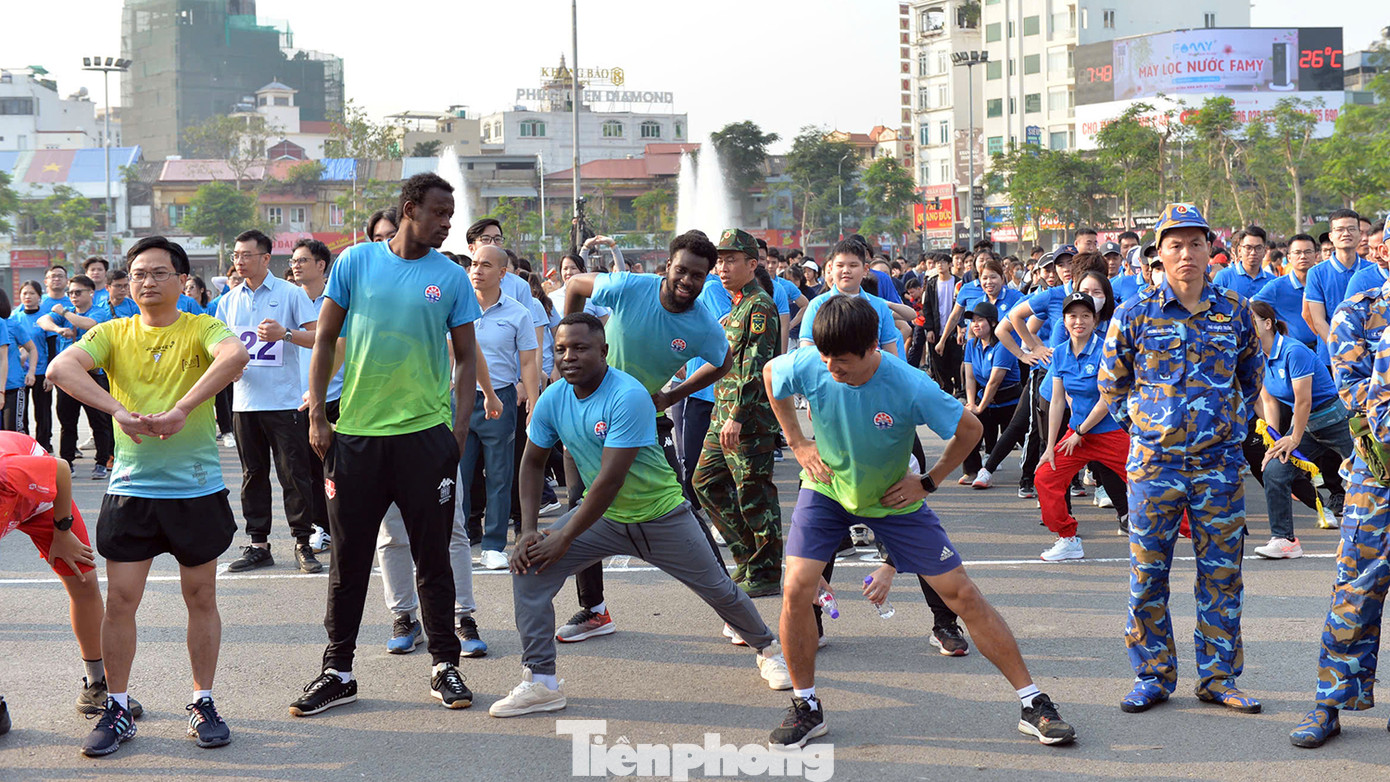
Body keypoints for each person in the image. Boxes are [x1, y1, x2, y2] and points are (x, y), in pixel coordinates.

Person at [764, 294, 1076, 749]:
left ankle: (1033, 702)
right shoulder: (813, 362)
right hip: (827, 489)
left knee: (963, 594)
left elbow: (969, 430)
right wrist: (797, 443)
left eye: (843, 360)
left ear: (873, 346)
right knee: (796, 587)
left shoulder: (909, 384)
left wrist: (928, 482)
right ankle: (806, 705)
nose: (832, 368)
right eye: (826, 357)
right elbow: (773, 375)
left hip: (895, 496)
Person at [492, 313, 791, 717]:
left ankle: (768, 649)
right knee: (529, 570)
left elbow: (609, 480)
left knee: (719, 590)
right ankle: (541, 682)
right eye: (561, 349)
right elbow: (531, 463)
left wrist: (562, 537)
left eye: (580, 348)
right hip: (604, 519)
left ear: (603, 351)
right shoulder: (553, 398)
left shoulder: (626, 395)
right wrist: (529, 531)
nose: (568, 357)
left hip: (661, 516)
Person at [47, 235, 249, 756]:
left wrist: (182, 408)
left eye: (159, 273)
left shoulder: (201, 325)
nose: (147, 281)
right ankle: (117, 707)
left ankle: (202, 701)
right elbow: (60, 369)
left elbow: (235, 355)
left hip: (197, 487)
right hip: (132, 489)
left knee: (201, 596)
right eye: (138, 273)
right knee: (121, 601)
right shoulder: (113, 332)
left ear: (182, 281)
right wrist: (115, 410)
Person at [292, 172, 480, 717]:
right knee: (348, 560)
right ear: (408, 209)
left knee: (433, 558)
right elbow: (325, 339)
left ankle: (445, 664)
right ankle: (337, 671)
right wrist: (321, 417)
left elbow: (466, 358)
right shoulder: (354, 262)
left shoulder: (450, 277)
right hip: (356, 437)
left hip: (425, 438)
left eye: (451, 214)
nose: (448, 224)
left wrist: (459, 430)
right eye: (440, 213)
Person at [1100, 203, 1264, 714]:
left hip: (1218, 467)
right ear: (1160, 254)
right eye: (1175, 245)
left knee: (1222, 574)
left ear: (1210, 250)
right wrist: (1150, 430)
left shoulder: (1235, 311)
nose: (1186, 254)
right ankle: (1152, 674)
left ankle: (1218, 677)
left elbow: (1250, 378)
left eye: (1195, 243)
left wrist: (1227, 428)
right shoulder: (1134, 313)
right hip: (1155, 468)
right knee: (1148, 573)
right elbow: (1112, 383)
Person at [556, 230, 733, 641]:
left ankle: (730, 609)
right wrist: (569, 339)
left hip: (644, 421)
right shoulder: (630, 287)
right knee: (581, 507)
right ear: (666, 267)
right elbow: (576, 284)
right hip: (588, 416)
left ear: (706, 278)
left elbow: (722, 362)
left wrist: (672, 393)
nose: (687, 280)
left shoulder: (702, 325)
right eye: (682, 270)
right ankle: (594, 610)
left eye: (697, 275)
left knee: (680, 508)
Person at [1290, 275, 1390, 747]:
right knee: (1355, 594)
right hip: (1378, 479)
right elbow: (1359, 401)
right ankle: (1328, 706)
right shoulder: (1357, 313)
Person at [213, 229, 323, 574]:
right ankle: (258, 544)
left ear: (265, 258)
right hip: (245, 403)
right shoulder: (228, 300)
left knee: (295, 475)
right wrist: (226, 367)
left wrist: (285, 334)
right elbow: (217, 344)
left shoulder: (290, 293)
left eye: (246, 255)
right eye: (235, 255)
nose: (239, 261)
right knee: (252, 475)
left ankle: (304, 543)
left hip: (285, 402)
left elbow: (320, 335)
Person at [692, 229, 784, 597]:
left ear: (752, 264)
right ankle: (747, 556)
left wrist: (739, 416)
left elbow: (756, 366)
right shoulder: (737, 305)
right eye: (720, 260)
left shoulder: (759, 306)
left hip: (747, 419)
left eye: (731, 260)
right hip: (724, 414)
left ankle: (764, 572)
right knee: (704, 482)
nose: (722, 267)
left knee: (754, 493)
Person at [1249, 301, 1352, 559]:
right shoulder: (1256, 357)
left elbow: (1303, 400)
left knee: (1373, 471)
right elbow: (1269, 400)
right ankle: (1285, 540)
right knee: (1275, 469)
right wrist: (1274, 442)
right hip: (1305, 426)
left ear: (1268, 323)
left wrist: (1293, 438)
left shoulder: (1294, 351)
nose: (1245, 326)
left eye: (1250, 320)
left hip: (1335, 420)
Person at [462, 245, 540, 570]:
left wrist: (535, 403)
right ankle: (458, 536)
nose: (477, 270)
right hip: (461, 399)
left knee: (499, 473)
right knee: (458, 474)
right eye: (474, 264)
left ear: (502, 274)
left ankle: (493, 544)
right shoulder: (457, 308)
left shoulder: (518, 313)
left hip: (502, 399)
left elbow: (529, 362)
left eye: (486, 265)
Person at [1036, 291, 1125, 561]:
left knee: (1150, 479)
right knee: (1045, 477)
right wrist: (1050, 446)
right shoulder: (1060, 353)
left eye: (1086, 315)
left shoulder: (1106, 350)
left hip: (1110, 433)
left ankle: (1191, 530)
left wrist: (1081, 432)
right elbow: (1057, 401)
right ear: (1064, 320)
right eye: (1073, 315)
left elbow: (1106, 400)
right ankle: (1068, 538)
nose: (1079, 321)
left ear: (1095, 319)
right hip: (1076, 435)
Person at [37, 274, 113, 479]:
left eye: (78, 292)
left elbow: (89, 324)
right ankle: (67, 462)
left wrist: (64, 313)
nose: (73, 296)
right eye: (70, 293)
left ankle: (101, 462)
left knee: (99, 420)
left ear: (91, 292)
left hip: (92, 374)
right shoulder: (66, 314)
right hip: (68, 376)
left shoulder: (99, 311)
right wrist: (58, 328)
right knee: (67, 420)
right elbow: (42, 319)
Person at [959, 300, 1019, 484]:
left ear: (993, 323)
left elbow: (994, 381)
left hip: (1009, 401)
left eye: (980, 320)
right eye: (973, 321)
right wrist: (972, 405)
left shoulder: (1003, 344)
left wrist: (980, 407)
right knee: (968, 425)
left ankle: (1036, 474)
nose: (975, 324)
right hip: (985, 398)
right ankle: (972, 471)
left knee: (1026, 439)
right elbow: (970, 377)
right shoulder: (971, 344)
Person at [1305, 209, 1371, 347]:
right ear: (1331, 236)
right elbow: (1318, 321)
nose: (1346, 234)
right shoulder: (1316, 273)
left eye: (1351, 229)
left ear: (1359, 234)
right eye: (1340, 229)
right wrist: (1340, 350)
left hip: (1369, 354)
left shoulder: (1372, 270)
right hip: (1331, 354)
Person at [14, 282, 53, 448]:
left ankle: (43, 444)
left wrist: (51, 375)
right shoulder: (15, 316)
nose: (28, 297)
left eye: (32, 293)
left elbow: (52, 347)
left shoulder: (46, 317)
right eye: (24, 293)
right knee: (21, 413)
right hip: (20, 373)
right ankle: (26, 445)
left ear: (39, 296)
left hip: (42, 371)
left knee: (42, 411)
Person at [0, 290, 37, 432]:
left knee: (13, 430)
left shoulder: (10, 325)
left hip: (13, 386)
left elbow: (32, 349)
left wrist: (31, 372)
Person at [1213, 226, 1277, 300]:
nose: (1253, 252)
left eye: (1258, 248)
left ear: (1264, 251)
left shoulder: (1273, 282)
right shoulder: (1224, 277)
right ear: (1239, 251)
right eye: (1248, 248)